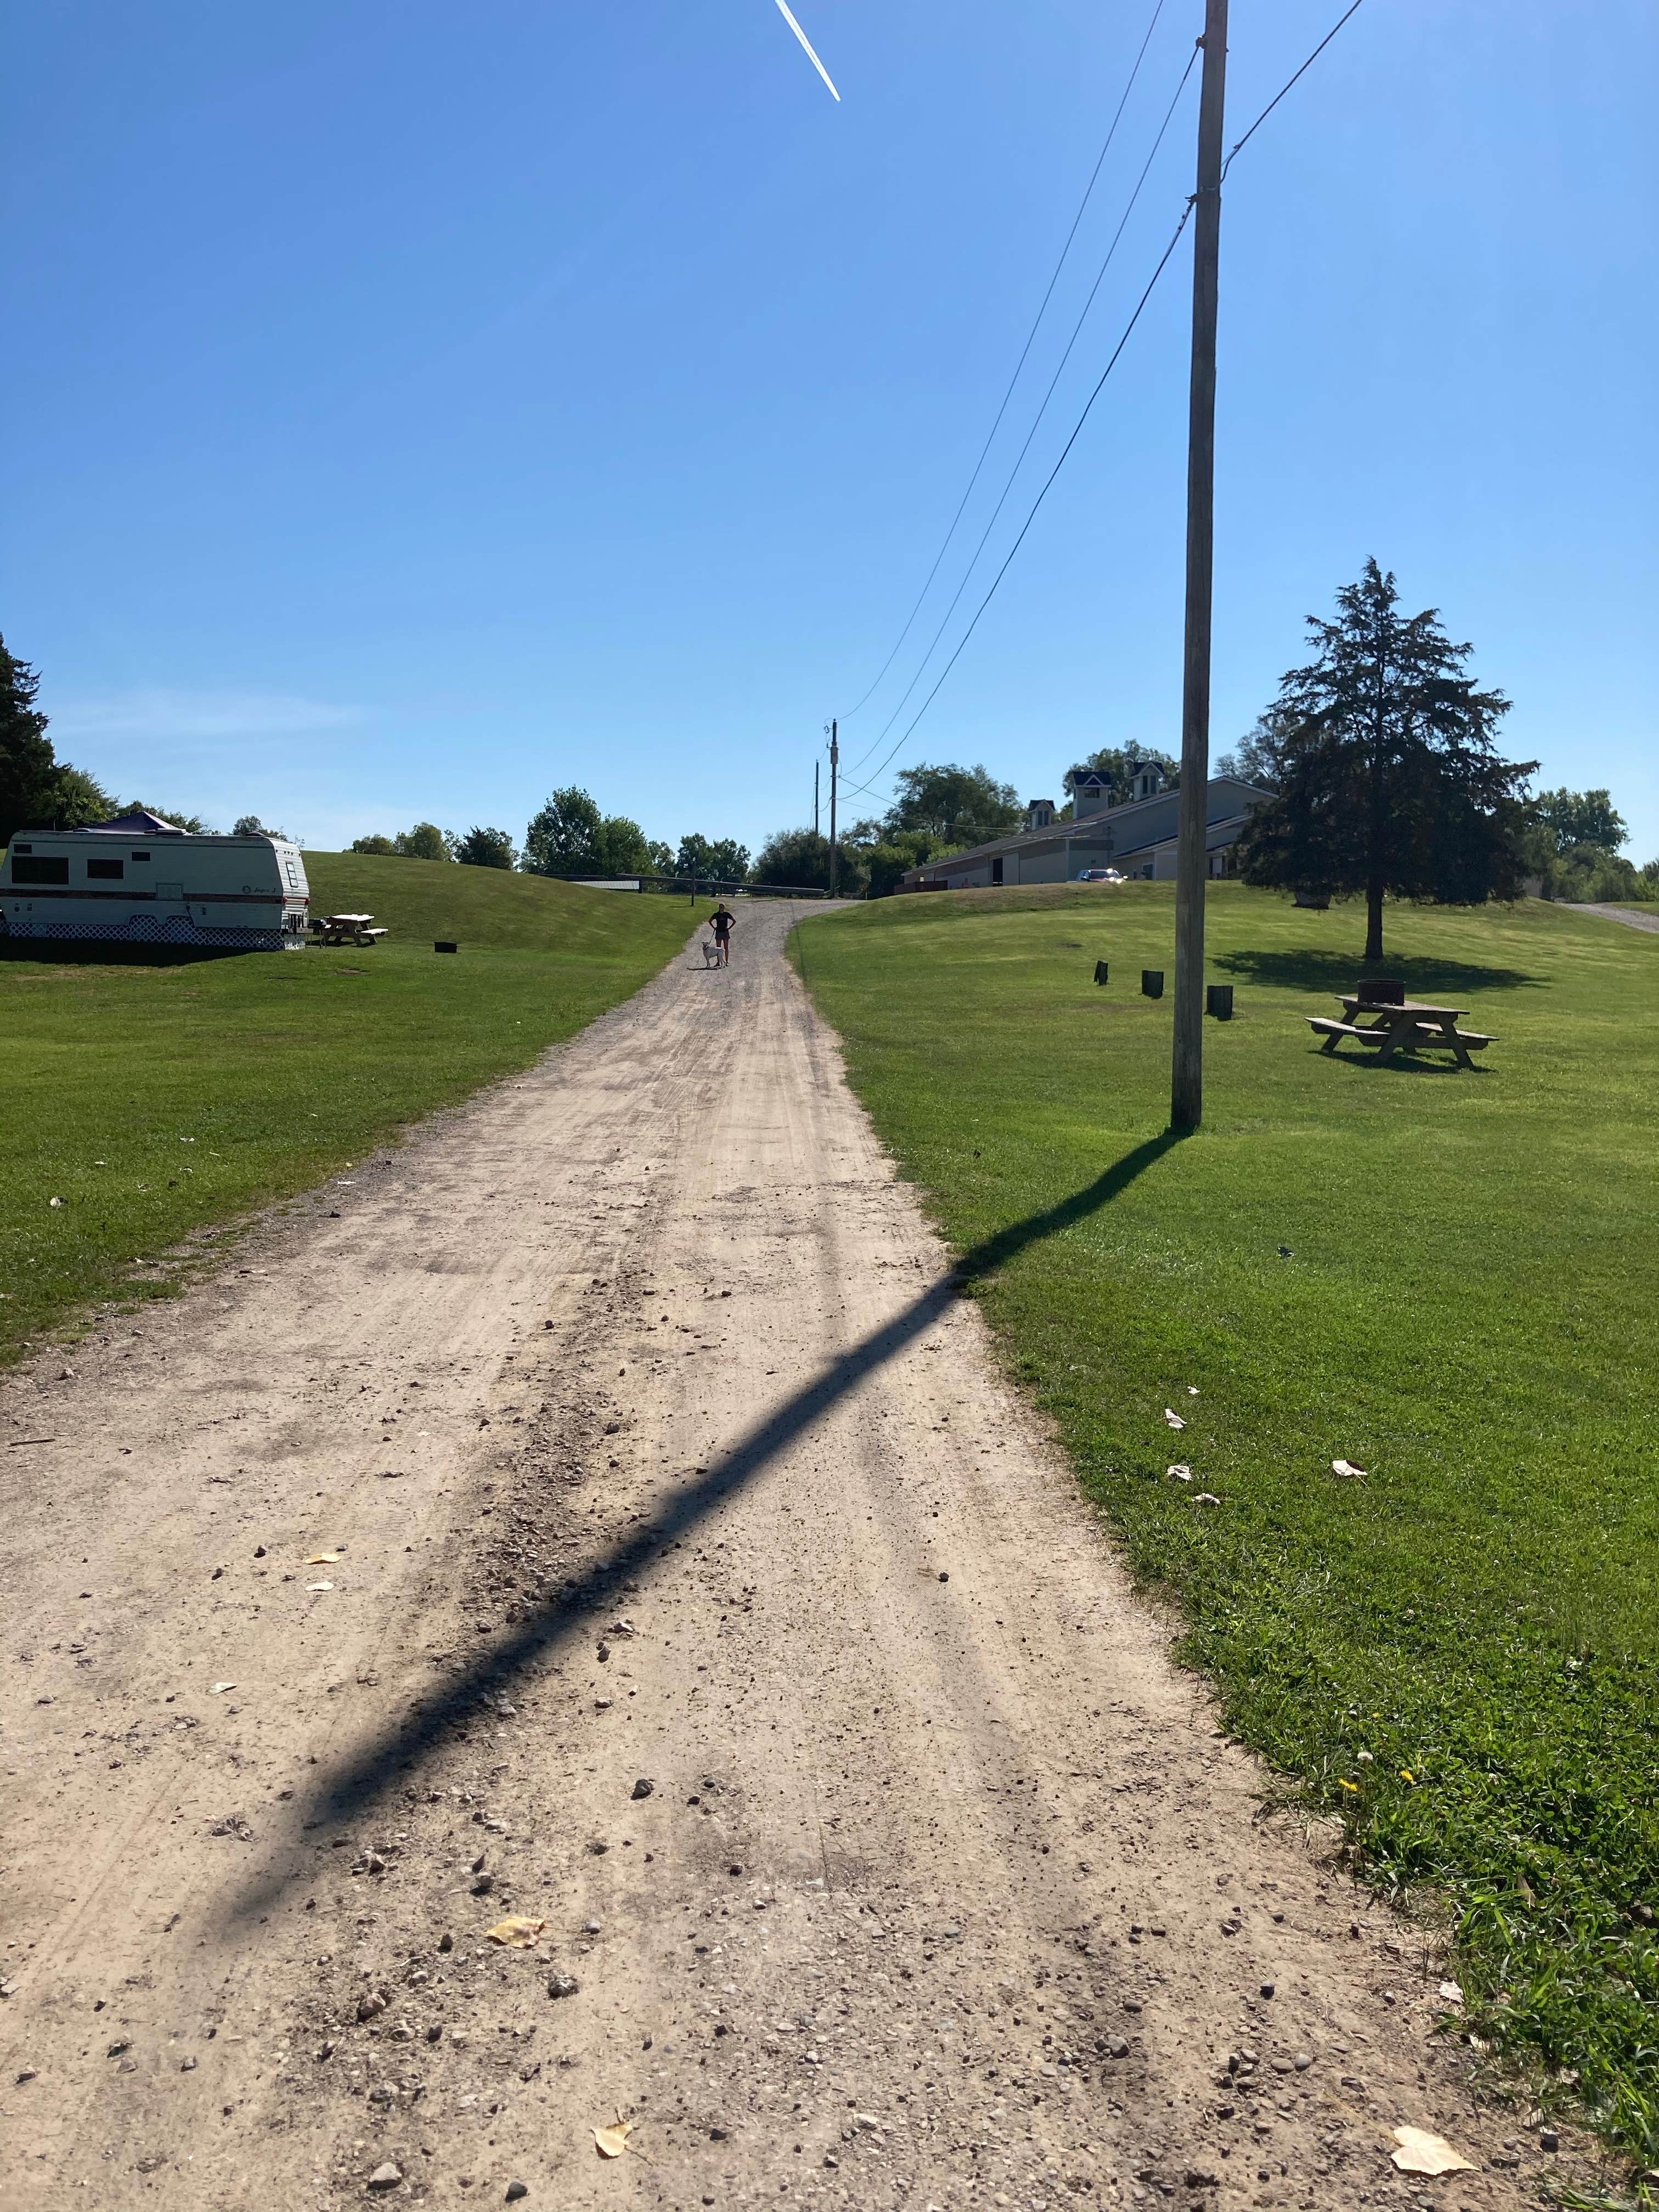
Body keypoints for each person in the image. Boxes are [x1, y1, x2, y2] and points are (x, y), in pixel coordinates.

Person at [709, 902, 737, 966]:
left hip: (725, 932)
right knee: (718, 948)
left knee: (726, 948)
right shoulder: (716, 915)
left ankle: (727, 962)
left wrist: (729, 928)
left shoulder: (727, 914)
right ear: (719, 908)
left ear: (724, 908)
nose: (721, 908)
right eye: (720, 907)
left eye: (723, 907)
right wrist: (714, 927)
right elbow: (710, 921)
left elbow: (734, 921)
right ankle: (719, 962)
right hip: (719, 932)